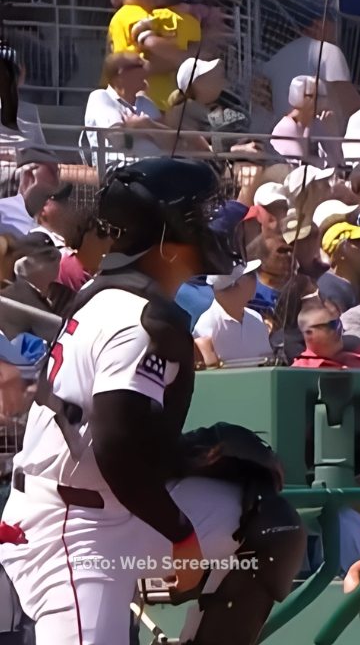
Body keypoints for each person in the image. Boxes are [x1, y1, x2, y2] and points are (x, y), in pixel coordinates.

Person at [0, 158, 305, 643]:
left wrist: (210, 456)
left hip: (115, 508)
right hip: (70, 529)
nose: (214, 224)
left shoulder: (116, 296)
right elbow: (117, 450)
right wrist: (181, 535)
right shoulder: (136, 317)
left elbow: (131, 442)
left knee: (265, 526)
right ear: (166, 234)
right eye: (202, 213)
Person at [263, 0, 360, 119]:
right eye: (333, 22)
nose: (337, 28)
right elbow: (345, 99)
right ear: (319, 25)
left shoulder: (280, 55)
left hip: (285, 131)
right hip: (319, 134)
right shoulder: (329, 51)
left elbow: (258, 87)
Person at [83, 52, 171, 167]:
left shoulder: (147, 103)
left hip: (158, 167)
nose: (147, 67)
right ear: (121, 74)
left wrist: (144, 125)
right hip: (123, 171)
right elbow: (118, 141)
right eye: (139, 65)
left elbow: (169, 143)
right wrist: (151, 131)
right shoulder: (101, 97)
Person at [193, 259, 272, 367]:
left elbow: (267, 363)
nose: (256, 279)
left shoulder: (256, 318)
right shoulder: (206, 324)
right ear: (233, 285)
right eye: (250, 275)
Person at [271, 75, 339, 168]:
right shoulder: (286, 128)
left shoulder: (318, 124)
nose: (323, 102)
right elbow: (301, 169)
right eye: (317, 97)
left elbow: (338, 164)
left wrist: (333, 134)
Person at [292, 298, 360, 369]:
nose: (339, 328)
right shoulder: (297, 375)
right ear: (309, 333)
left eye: (339, 322)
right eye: (332, 324)